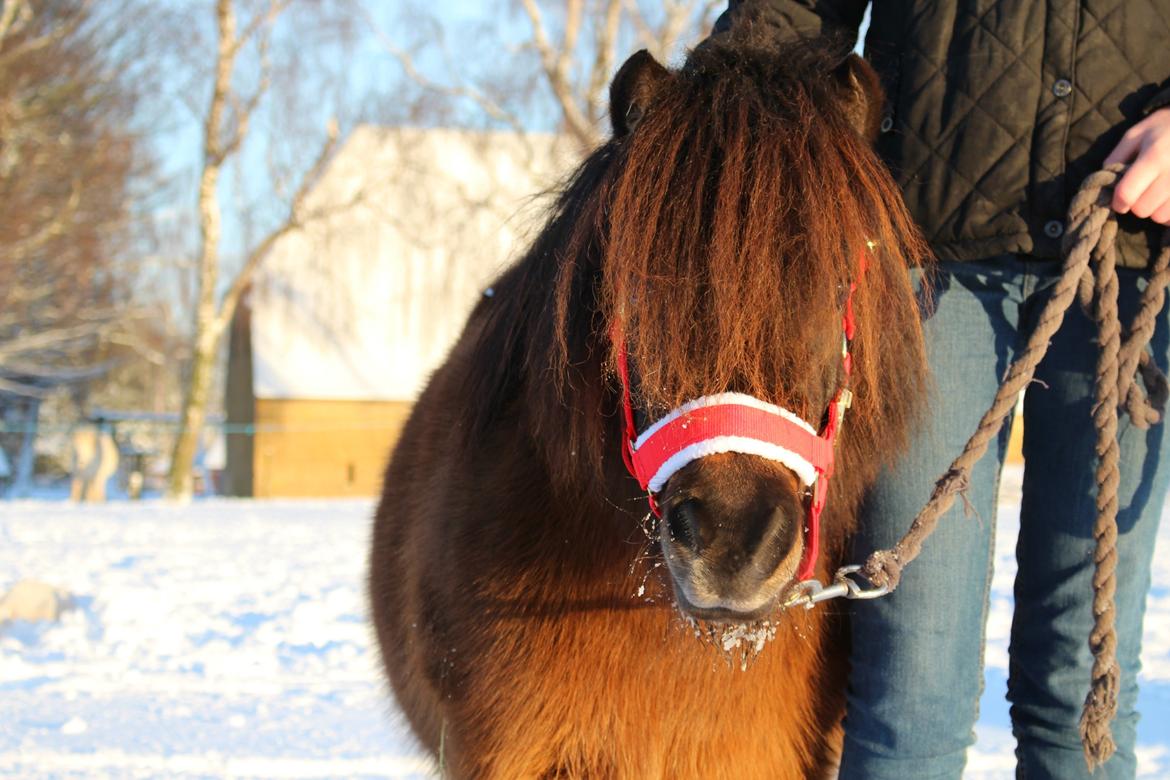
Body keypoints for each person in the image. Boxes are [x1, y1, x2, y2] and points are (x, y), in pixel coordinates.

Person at [711, 2, 1170, 778]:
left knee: (1083, 691)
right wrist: (706, 114)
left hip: (1124, 263)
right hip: (926, 259)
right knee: (910, 687)